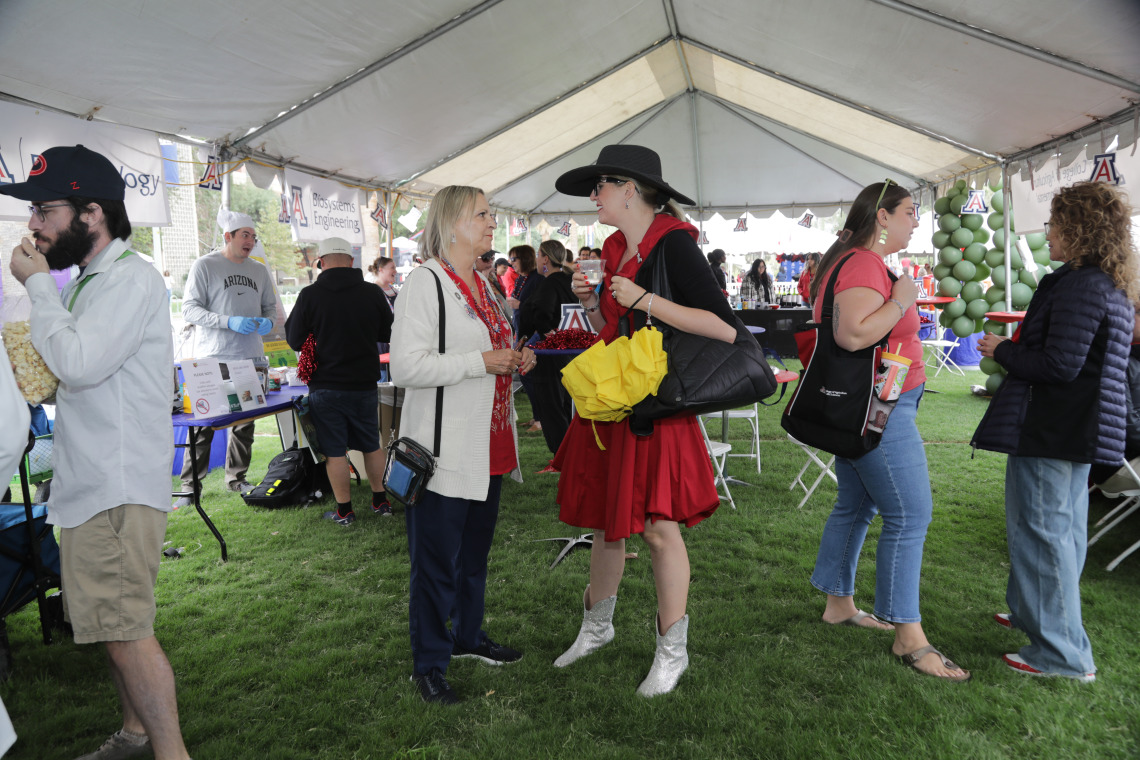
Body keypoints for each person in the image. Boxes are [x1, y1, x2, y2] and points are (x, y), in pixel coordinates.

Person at [4, 145, 192, 759]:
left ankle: (171, 753)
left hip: (115, 487)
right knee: (116, 629)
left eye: (45, 210)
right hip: (94, 485)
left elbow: (80, 366)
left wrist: (38, 289)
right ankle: (137, 735)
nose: (34, 224)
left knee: (125, 632)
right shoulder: (90, 281)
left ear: (92, 213)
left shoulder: (130, 279)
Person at [550, 144, 735, 696]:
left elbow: (723, 327)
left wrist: (646, 299)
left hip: (655, 406)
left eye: (600, 184)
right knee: (607, 520)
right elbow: (616, 327)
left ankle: (672, 652)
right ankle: (596, 630)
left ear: (630, 188)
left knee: (658, 530)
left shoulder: (674, 245)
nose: (593, 195)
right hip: (613, 399)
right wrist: (591, 303)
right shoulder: (614, 247)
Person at [972, 182, 1138, 682]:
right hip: (1064, 428)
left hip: (1057, 427)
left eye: (1054, 223)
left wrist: (1001, 349)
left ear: (1079, 228)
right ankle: (1032, 615)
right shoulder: (1095, 281)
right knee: (1045, 530)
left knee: (1047, 536)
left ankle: (1063, 655)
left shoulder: (1085, 285)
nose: (1049, 232)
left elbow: (1061, 365)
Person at [806, 180, 969, 682]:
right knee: (911, 514)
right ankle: (909, 637)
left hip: (871, 405)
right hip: (879, 408)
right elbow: (852, 333)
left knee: (857, 504)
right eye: (909, 211)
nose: (916, 220)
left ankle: (838, 603)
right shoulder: (861, 264)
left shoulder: (853, 260)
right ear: (881, 216)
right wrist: (901, 302)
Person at [390, 185, 534, 705]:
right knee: (435, 565)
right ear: (452, 222)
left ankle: (468, 637)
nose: (492, 222)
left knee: (473, 557)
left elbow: (491, 354)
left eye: (491, 214)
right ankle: (429, 662)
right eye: (483, 214)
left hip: (487, 444)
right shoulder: (425, 283)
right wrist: (484, 363)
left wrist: (515, 360)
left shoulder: (485, 283)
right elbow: (407, 366)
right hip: (443, 451)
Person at [285, 237, 393, 524]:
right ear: (351, 261)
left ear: (321, 263)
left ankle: (345, 511)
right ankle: (380, 502)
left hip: (326, 385)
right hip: (364, 383)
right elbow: (387, 333)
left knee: (334, 452)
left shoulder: (310, 295)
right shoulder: (372, 293)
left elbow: (294, 338)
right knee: (372, 444)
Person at [177, 207, 276, 501]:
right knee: (203, 424)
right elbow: (189, 309)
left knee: (244, 424)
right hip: (212, 357)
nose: (250, 241)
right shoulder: (205, 266)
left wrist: (267, 322)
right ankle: (189, 488)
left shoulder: (259, 270)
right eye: (245, 235)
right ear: (228, 236)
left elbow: (269, 309)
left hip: (250, 359)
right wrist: (227, 321)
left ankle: (237, 479)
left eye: (254, 237)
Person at [519, 239, 577, 455]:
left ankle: (561, 456)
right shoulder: (571, 279)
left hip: (551, 353)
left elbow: (542, 314)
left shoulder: (551, 283)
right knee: (567, 404)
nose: (535, 259)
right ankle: (570, 454)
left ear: (545, 258)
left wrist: (546, 335)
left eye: (538, 254)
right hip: (574, 352)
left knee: (552, 406)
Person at [506, 244, 542, 432]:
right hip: (522, 333)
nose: (511, 263)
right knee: (526, 375)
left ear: (525, 258)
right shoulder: (522, 279)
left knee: (529, 375)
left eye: (514, 259)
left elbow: (539, 307)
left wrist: (520, 304)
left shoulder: (536, 279)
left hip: (533, 336)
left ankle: (540, 419)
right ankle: (537, 416)